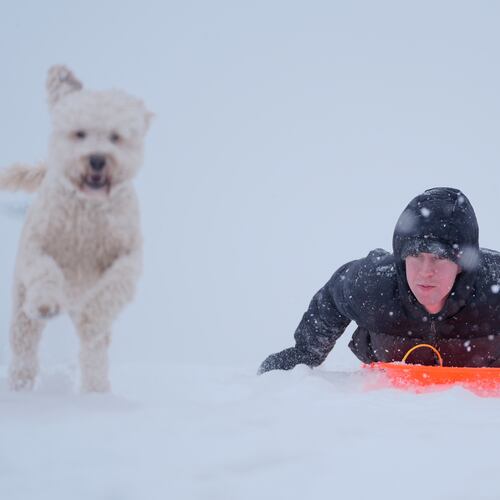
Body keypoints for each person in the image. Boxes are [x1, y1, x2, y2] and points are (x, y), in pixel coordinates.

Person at [258, 187, 500, 374]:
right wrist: (305, 353)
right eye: (415, 255)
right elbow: (333, 295)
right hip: (388, 391)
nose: (426, 271)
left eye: (439, 257)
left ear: (461, 263)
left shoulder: (494, 285)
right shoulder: (374, 284)